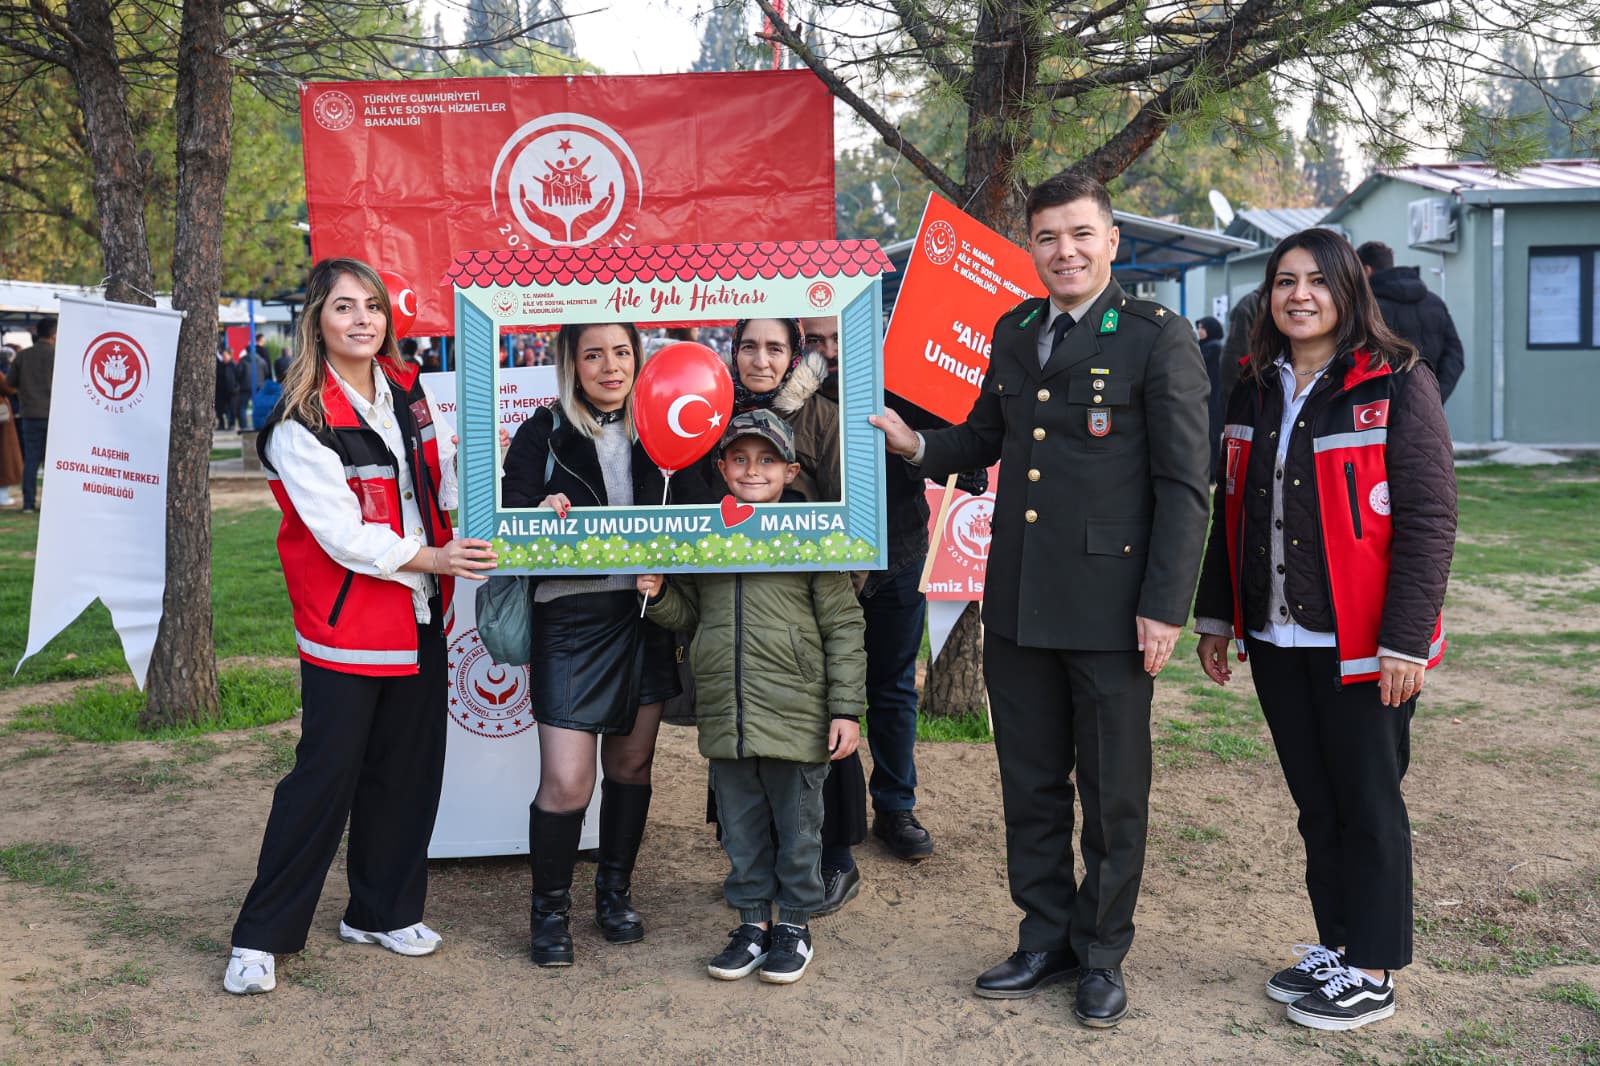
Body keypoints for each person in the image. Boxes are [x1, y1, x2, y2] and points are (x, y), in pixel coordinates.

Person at [871, 172, 1211, 1028]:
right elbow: (986, 438)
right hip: (1020, 598)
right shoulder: (1016, 329)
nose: (1065, 251)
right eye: (1049, 237)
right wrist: (915, 443)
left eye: (1081, 234)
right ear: (1031, 246)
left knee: (1112, 793)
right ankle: (1044, 936)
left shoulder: (1156, 337)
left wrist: (1164, 605)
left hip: (1112, 607)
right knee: (1030, 784)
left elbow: (1183, 486)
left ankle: (1101, 954)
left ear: (1111, 241)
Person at [1194, 228, 1455, 1032]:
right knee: (1317, 803)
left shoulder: (1398, 381)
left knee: (1368, 804)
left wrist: (1405, 640)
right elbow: (1230, 509)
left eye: (1315, 280)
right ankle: (1339, 947)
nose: (1298, 295)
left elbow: (1429, 518)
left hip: (1366, 646)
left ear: (1348, 290)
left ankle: (1373, 970)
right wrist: (1217, 616)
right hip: (1278, 640)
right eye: (1284, 281)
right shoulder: (1253, 386)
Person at [225, 258, 497, 996]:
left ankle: (381, 911)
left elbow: (440, 480)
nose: (362, 319)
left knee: (408, 771)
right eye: (344, 306)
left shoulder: (407, 390)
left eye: (373, 306)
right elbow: (342, 534)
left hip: (421, 613)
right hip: (347, 623)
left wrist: (506, 496)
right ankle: (260, 936)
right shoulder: (299, 421)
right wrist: (434, 556)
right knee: (324, 779)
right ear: (316, 320)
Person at [500, 322, 708, 967]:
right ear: (571, 362)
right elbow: (505, 513)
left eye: (621, 352)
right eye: (593, 354)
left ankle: (614, 894)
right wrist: (538, 516)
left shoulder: (666, 428)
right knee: (566, 782)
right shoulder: (543, 430)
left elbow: (700, 514)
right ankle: (549, 911)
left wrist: (668, 567)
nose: (610, 366)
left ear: (638, 358)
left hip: (644, 615)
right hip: (570, 618)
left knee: (631, 767)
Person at [637, 410, 866, 985]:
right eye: (739, 458)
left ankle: (794, 926)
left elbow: (843, 625)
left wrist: (846, 709)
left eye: (766, 459)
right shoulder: (705, 532)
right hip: (727, 711)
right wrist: (659, 595)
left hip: (796, 712)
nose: (752, 470)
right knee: (740, 829)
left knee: (799, 828)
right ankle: (751, 925)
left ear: (791, 470)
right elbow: (690, 615)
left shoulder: (813, 533)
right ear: (721, 468)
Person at [717, 317, 868, 906]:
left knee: (823, 736)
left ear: (795, 354)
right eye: (749, 347)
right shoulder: (712, 411)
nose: (761, 360)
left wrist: (836, 590)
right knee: (748, 743)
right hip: (738, 609)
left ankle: (834, 859)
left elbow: (854, 512)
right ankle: (756, 867)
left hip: (808, 605)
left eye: (775, 348)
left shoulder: (823, 417)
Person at [1356, 241, 1466, 404]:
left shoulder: (1367, 308)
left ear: (1367, 270)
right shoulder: (1435, 302)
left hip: (1382, 411)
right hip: (1429, 408)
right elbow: (1454, 356)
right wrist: (1434, 397)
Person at [7, 318, 56, 514]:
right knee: (54, 462)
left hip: (30, 414)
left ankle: (28, 503)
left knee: (31, 460)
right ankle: (52, 504)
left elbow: (10, 383)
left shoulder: (23, 356)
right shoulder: (59, 355)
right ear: (54, 334)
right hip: (54, 416)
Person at [1196, 315, 1226, 475]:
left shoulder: (1213, 348)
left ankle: (1211, 472)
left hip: (1213, 398)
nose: (1199, 331)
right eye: (1199, 327)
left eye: (1203, 328)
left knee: (1211, 436)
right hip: (1209, 396)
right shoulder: (1203, 346)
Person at [215, 345, 238, 430]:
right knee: (220, 408)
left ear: (229, 355)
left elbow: (238, 377)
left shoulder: (233, 365)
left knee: (232, 409)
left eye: (225, 355)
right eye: (223, 356)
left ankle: (231, 424)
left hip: (231, 391)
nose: (223, 357)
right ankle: (221, 424)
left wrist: (235, 388)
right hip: (221, 391)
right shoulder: (220, 366)